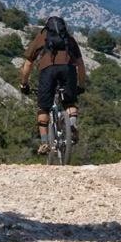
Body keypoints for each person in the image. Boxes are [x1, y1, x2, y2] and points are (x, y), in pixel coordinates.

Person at [20, 16, 88, 155]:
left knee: (43, 108)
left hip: (48, 70)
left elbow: (28, 63)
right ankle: (72, 126)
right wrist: (81, 85)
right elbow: (80, 65)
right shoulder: (69, 38)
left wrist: (24, 83)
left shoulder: (42, 36)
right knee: (70, 102)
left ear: (47, 27)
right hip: (68, 69)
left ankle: (45, 143)